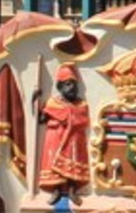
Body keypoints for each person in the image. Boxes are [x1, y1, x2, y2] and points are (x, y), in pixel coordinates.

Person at [37, 65, 91, 210]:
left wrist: (69, 117)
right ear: (60, 86)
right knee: (53, 163)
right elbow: (41, 119)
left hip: (74, 139)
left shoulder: (81, 104)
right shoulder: (52, 103)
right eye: (68, 83)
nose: (72, 87)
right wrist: (35, 100)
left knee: (73, 163)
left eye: (74, 84)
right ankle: (56, 191)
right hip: (54, 137)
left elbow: (83, 120)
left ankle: (73, 190)